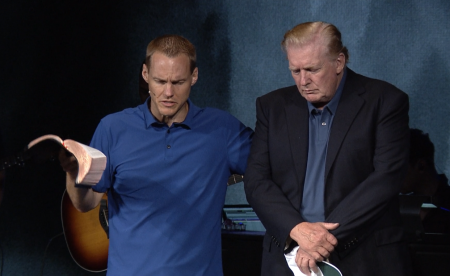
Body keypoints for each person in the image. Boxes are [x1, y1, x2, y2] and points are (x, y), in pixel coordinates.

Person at [60, 34, 253, 275]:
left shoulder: (223, 129)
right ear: (145, 75)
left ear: (194, 76)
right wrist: (72, 173)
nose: (168, 92)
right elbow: (85, 203)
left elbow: (275, 165)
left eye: (178, 82)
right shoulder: (112, 129)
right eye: (160, 81)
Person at [244, 21, 413, 276]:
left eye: (312, 69)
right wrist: (297, 229)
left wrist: (319, 240)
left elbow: (386, 178)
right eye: (295, 70)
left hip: (364, 259)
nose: (303, 81)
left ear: (339, 62)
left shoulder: (385, 101)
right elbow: (256, 181)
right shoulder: (271, 107)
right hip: (286, 259)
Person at [402, 128, 450, 233]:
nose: (393, 175)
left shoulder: (446, 206)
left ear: (421, 166)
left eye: (400, 168)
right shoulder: (398, 207)